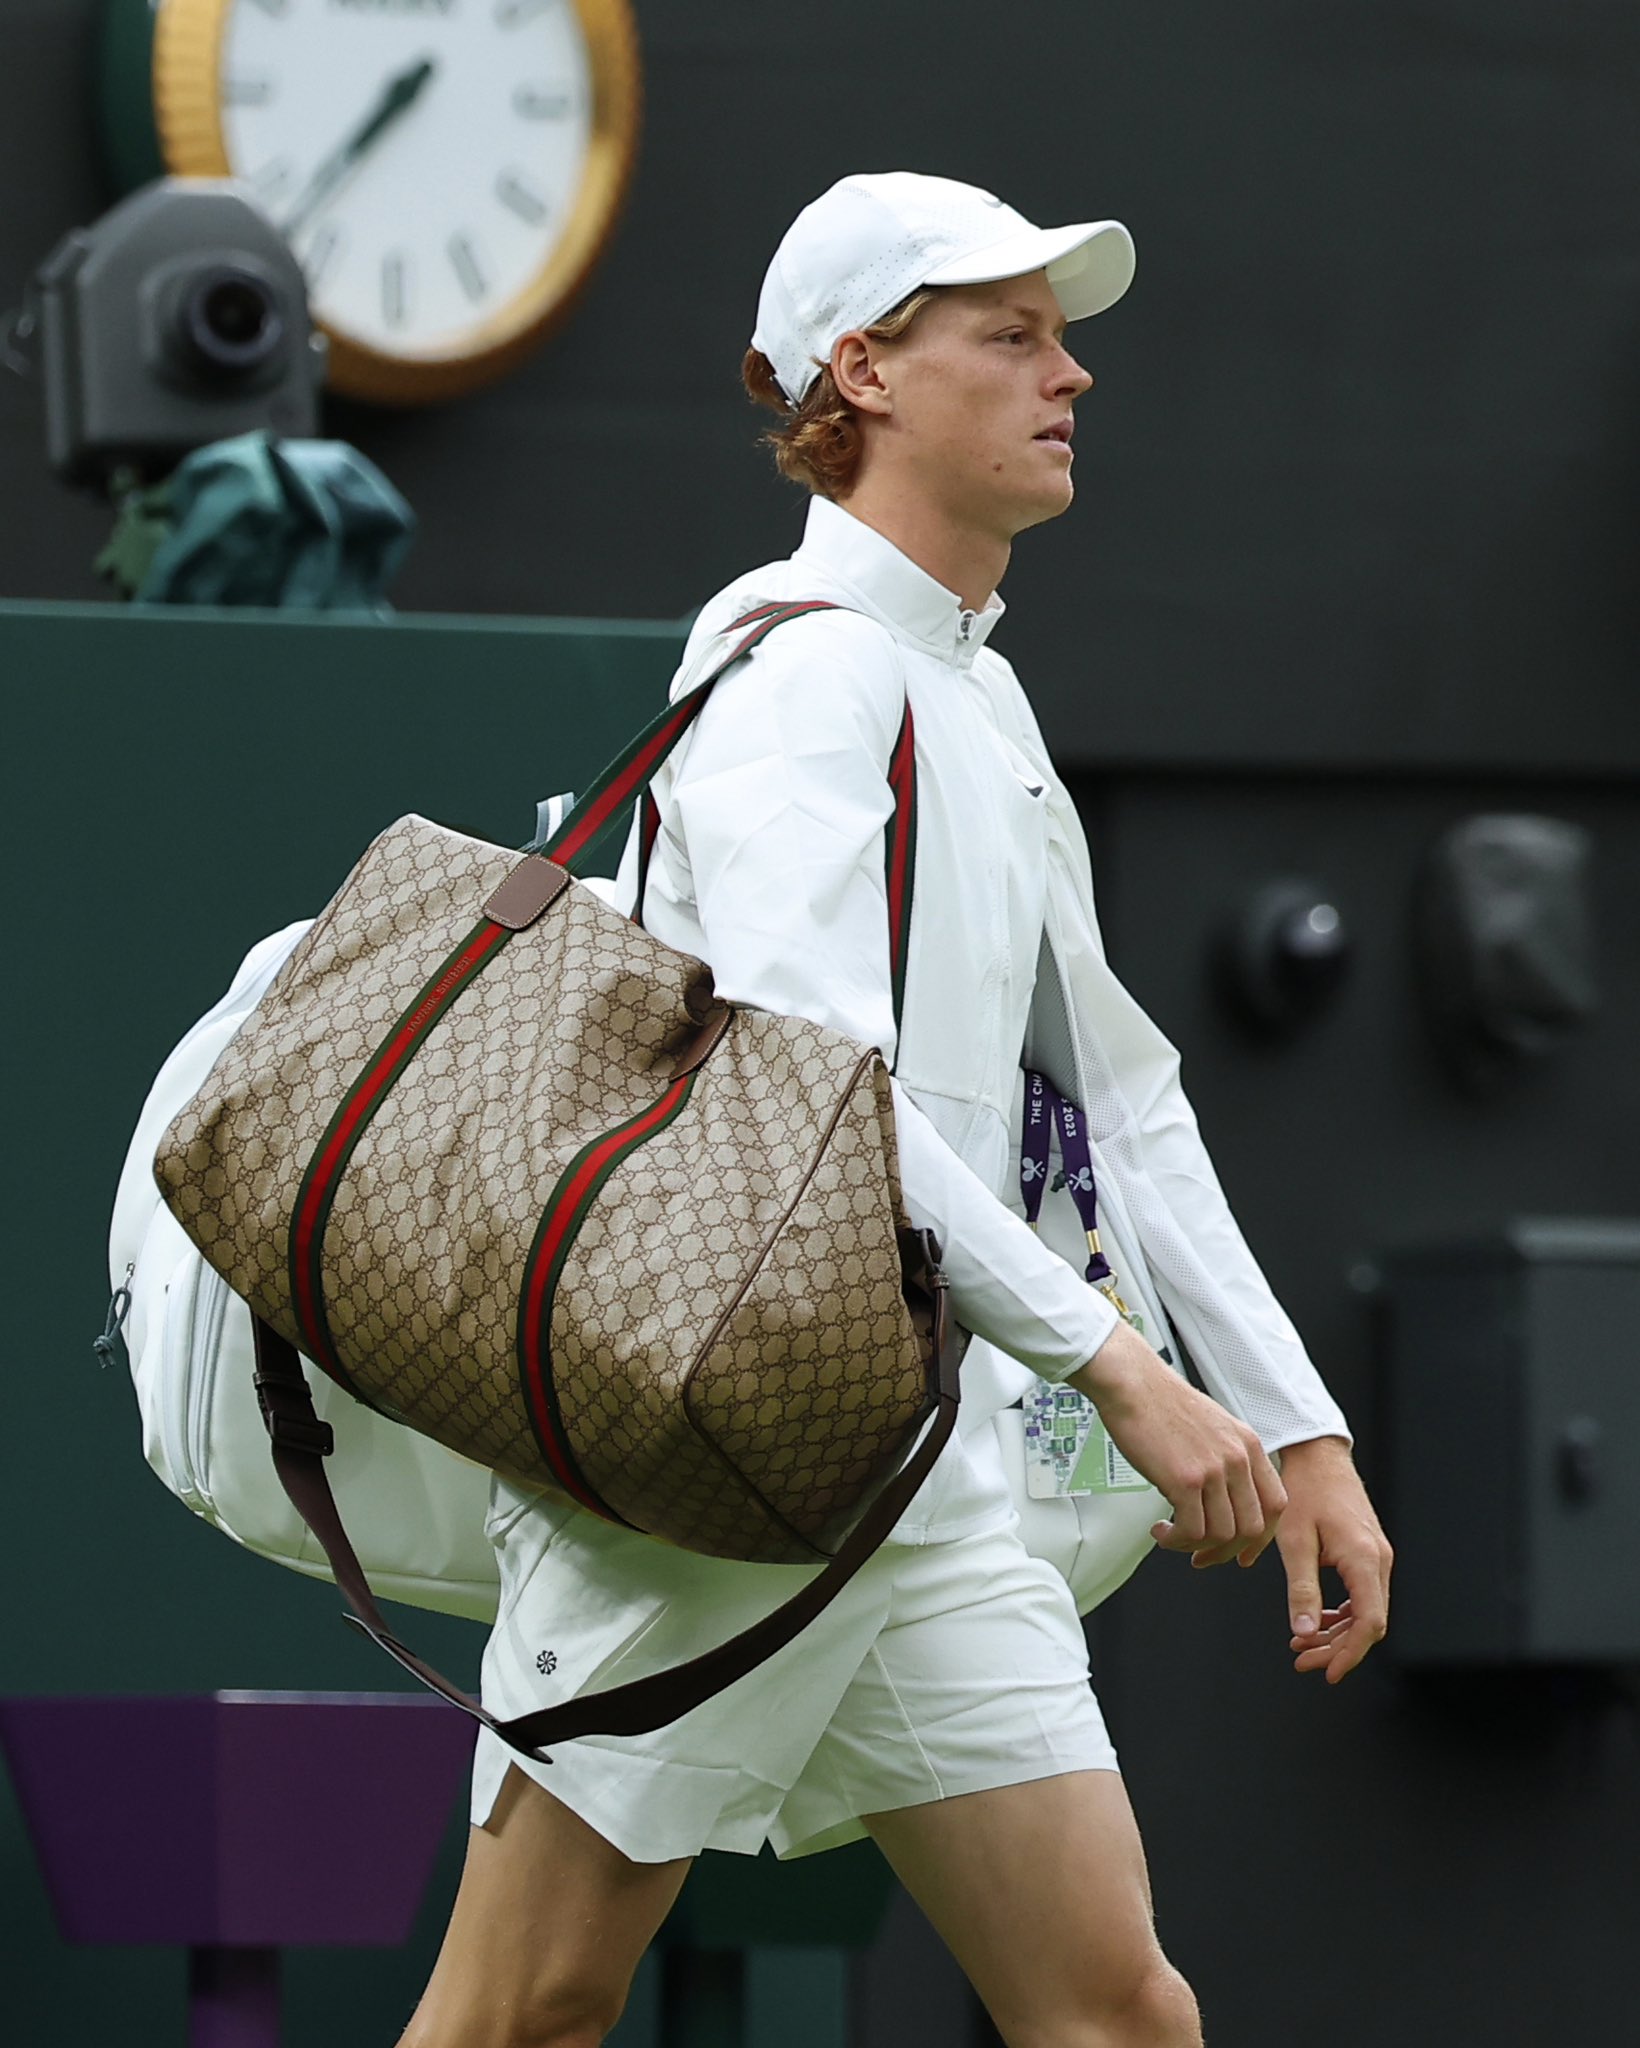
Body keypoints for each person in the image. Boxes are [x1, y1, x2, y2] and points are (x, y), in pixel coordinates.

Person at [401, 170, 1393, 2048]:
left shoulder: (974, 699)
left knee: (1117, 2014)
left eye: (1065, 337)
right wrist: (1117, 1361)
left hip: (920, 1478)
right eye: (1009, 335)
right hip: (722, 1476)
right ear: (859, 372)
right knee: (519, 2013)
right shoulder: (801, 674)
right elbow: (815, 1099)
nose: (1070, 375)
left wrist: (1297, 1433)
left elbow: (1124, 1100)